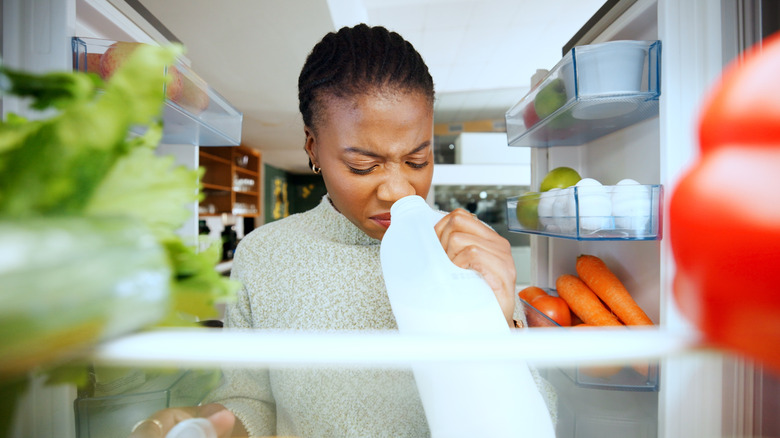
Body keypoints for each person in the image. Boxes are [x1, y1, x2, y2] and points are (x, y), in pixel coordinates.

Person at [130, 23, 554, 438]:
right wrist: (209, 426)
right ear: (313, 147)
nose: (397, 190)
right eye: (363, 166)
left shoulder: (463, 252)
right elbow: (252, 401)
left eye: (417, 160)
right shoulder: (263, 255)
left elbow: (537, 415)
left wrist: (501, 328)